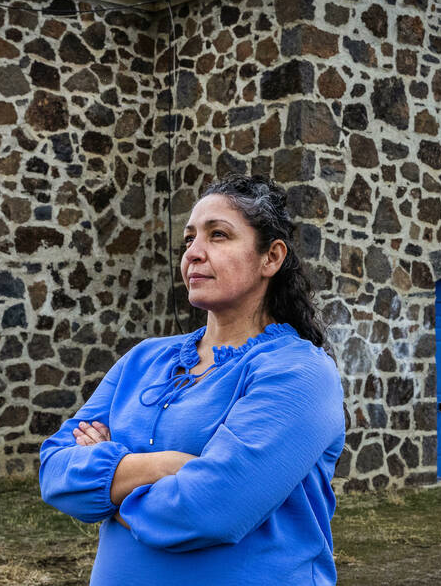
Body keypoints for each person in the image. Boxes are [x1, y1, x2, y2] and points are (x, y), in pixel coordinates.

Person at [38, 174, 346, 585]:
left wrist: (106, 488)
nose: (193, 254)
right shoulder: (145, 359)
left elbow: (211, 510)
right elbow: (54, 471)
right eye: (189, 239)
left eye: (218, 235)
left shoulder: (298, 372)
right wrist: (163, 466)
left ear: (270, 258)